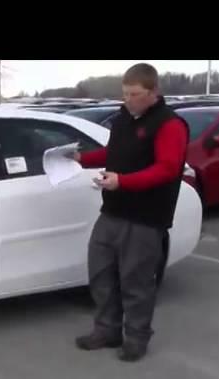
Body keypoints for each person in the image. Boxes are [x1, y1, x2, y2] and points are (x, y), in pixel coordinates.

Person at [73, 63, 189, 362]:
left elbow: (167, 168)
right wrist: (79, 159)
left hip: (145, 218)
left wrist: (122, 181)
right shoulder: (124, 120)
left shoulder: (169, 125)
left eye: (135, 94)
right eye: (125, 93)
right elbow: (112, 153)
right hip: (112, 211)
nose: (128, 100)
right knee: (101, 274)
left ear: (153, 92)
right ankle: (107, 330)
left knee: (135, 282)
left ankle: (136, 338)